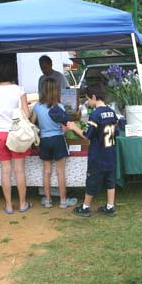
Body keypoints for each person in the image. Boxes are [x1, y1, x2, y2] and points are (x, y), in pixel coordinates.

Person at [0, 62, 32, 214]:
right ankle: (23, 203)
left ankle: (8, 205)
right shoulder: (19, 89)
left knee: (5, 171)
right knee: (19, 170)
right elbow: (26, 114)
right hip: (16, 132)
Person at [66, 84, 118, 217]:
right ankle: (110, 206)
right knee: (110, 180)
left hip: (98, 154)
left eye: (88, 99)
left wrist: (73, 127)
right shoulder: (112, 112)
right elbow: (116, 131)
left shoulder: (95, 114)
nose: (87, 102)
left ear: (94, 97)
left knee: (92, 179)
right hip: (110, 152)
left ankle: (85, 207)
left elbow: (87, 135)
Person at [30, 78, 77, 209]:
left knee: (46, 171)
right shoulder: (59, 107)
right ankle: (63, 201)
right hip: (58, 139)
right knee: (60, 172)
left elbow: (32, 123)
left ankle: (48, 200)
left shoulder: (37, 106)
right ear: (56, 91)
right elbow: (64, 128)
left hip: (44, 140)